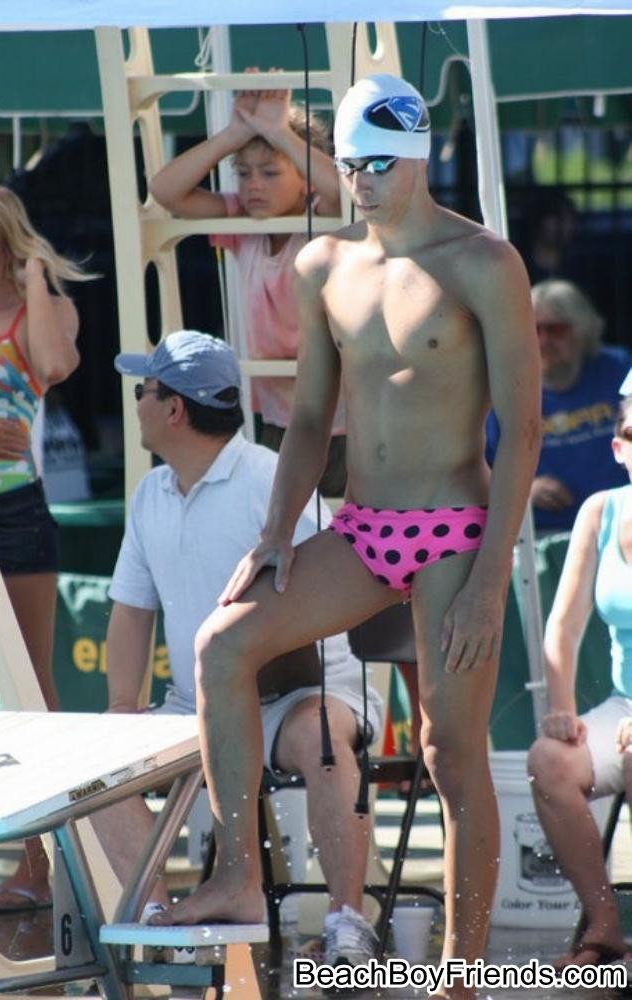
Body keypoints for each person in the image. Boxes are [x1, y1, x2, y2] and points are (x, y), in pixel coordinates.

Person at [149, 74, 541, 1000]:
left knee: (450, 750)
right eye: (350, 163)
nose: (358, 179)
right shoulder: (324, 264)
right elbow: (312, 415)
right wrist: (276, 534)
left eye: (375, 164)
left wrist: (488, 581)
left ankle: (465, 973)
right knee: (222, 645)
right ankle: (241, 875)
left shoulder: (484, 262)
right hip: (363, 528)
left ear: (416, 158)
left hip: (455, 529)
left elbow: (521, 431)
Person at [92, 329, 384, 967]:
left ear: (172, 409)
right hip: (197, 702)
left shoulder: (271, 481)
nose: (134, 402)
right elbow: (130, 612)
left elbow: (333, 600)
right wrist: (120, 710)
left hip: (311, 691)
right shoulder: (148, 494)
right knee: (97, 768)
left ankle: (346, 926)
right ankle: (160, 927)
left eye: (143, 390)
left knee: (323, 741)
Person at [0, 184, 91, 911]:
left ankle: (40, 867)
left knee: (29, 693)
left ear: (8, 249)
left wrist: (38, 277)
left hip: (11, 512)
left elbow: (54, 363)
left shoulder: (34, 309)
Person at [148, 72, 347, 496]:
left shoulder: (322, 220)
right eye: (243, 172)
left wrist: (278, 131)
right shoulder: (242, 223)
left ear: (305, 177)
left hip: (342, 422)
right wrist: (235, 133)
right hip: (279, 419)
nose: (254, 185)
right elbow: (165, 190)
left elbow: (342, 190)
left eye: (270, 174)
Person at [527, 392, 632, 970]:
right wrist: (562, 709)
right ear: (619, 449)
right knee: (549, 759)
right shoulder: (600, 510)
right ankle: (604, 923)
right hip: (625, 704)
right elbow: (562, 627)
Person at [486, 279, 630, 533]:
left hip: (620, 520)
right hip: (542, 535)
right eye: (533, 330)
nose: (543, 341)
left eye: (557, 330)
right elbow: (472, 470)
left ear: (583, 331)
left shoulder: (616, 369)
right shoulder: (502, 389)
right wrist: (526, 491)